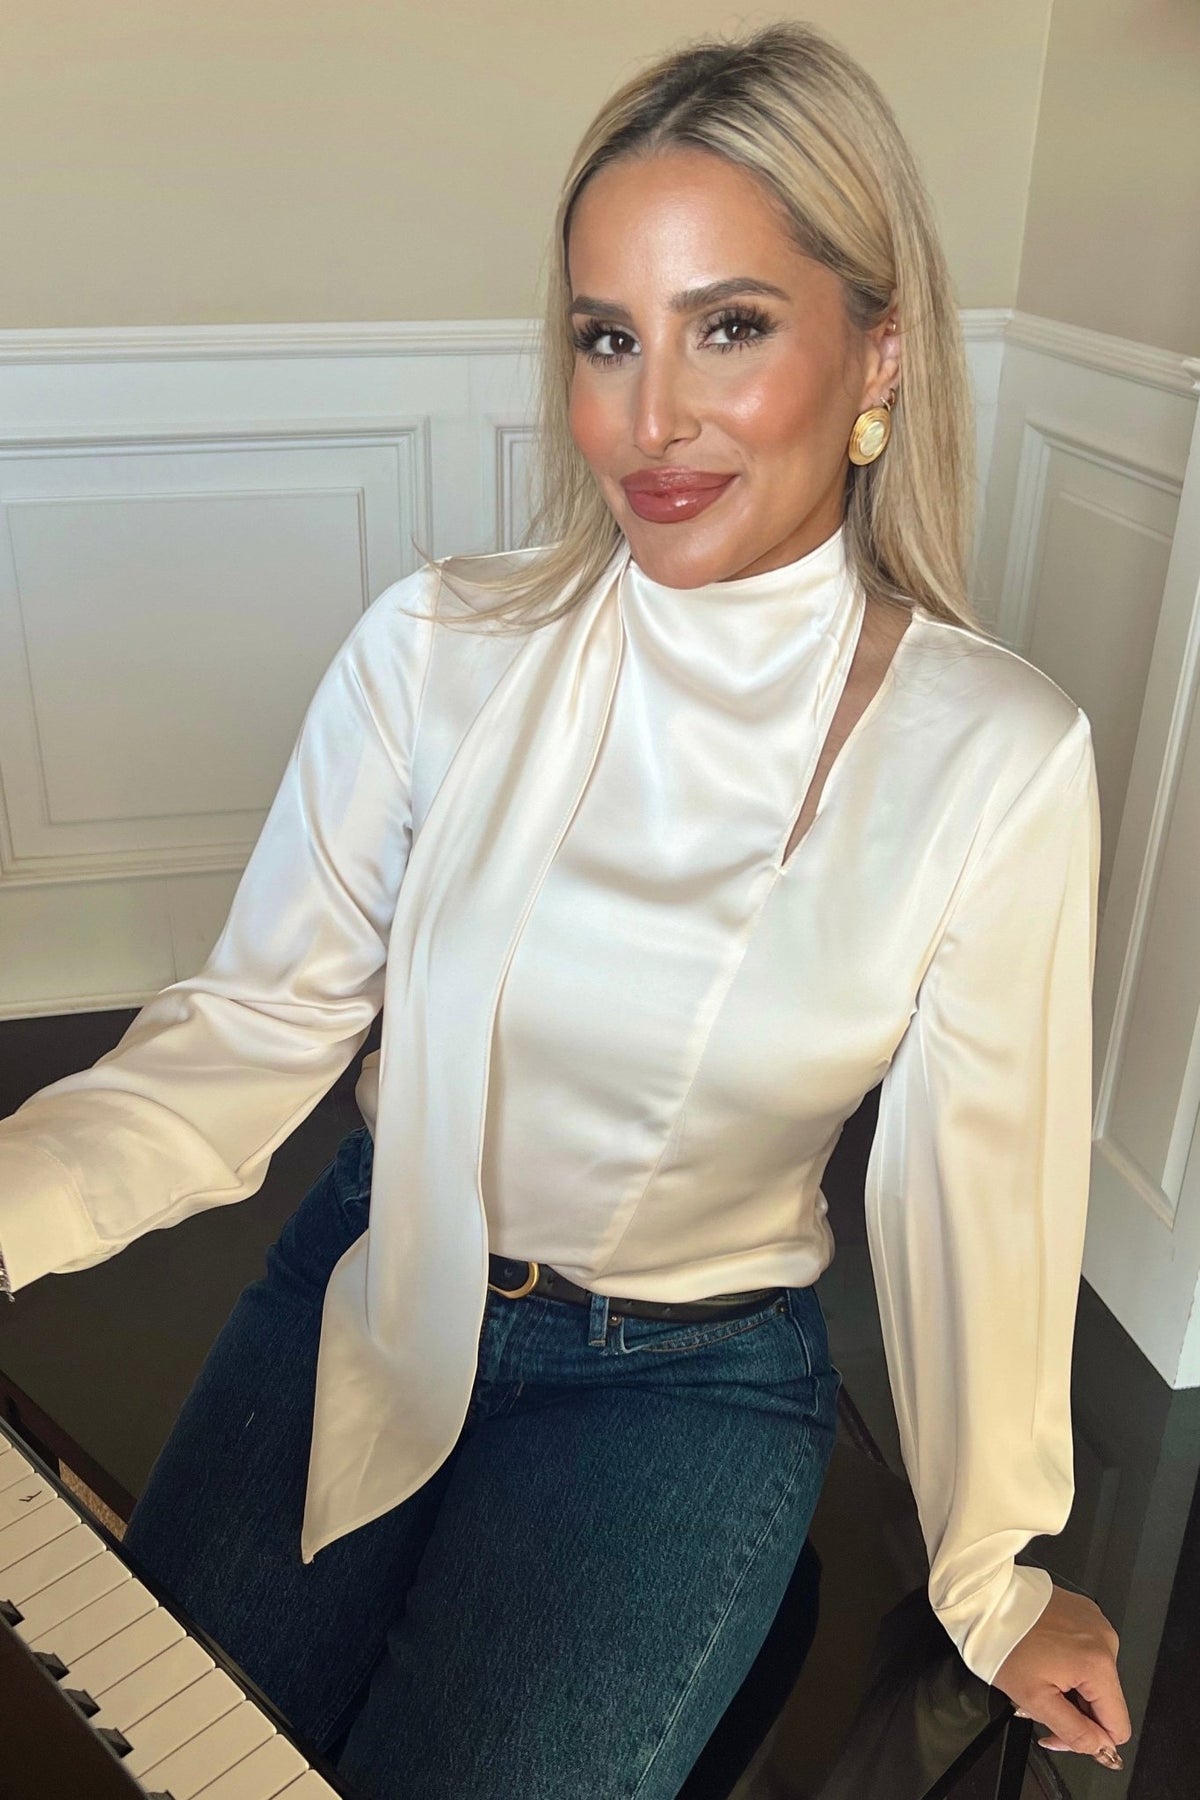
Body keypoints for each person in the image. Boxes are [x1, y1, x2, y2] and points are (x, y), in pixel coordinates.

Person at [0, 19, 1131, 1797]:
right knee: (150, 1753)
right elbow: (258, 1023)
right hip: (377, 1273)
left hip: (682, 1382)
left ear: (879, 351)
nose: (647, 418)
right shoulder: (437, 645)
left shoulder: (997, 754)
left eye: (728, 327)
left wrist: (994, 1574)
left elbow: (974, 1189)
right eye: (609, 338)